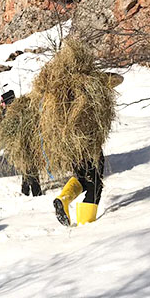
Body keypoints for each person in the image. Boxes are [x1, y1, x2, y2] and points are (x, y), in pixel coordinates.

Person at [52, 72, 123, 226]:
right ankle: (86, 222)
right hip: (89, 146)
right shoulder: (92, 102)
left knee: (83, 179)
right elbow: (118, 79)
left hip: (71, 146)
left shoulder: (69, 100)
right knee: (95, 183)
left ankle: (63, 199)